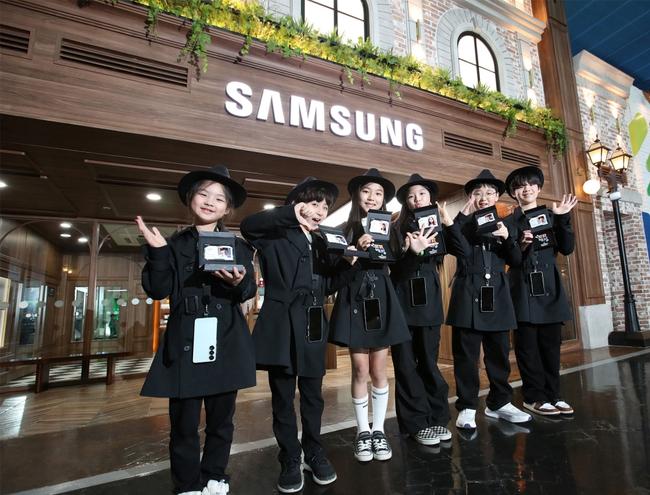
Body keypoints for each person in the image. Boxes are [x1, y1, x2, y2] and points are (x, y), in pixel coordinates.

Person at [136, 165, 256, 495]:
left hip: (226, 336)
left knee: (222, 419)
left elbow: (248, 291)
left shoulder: (239, 246)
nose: (209, 201)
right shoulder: (173, 244)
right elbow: (158, 290)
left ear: (227, 209)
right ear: (191, 199)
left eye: (219, 198)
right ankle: (187, 484)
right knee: (184, 423)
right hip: (185, 337)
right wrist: (158, 253)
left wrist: (239, 283)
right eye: (203, 194)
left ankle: (215, 475)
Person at [240, 177, 358, 493]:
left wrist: (351, 265)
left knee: (313, 395)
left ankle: (314, 451)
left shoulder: (322, 240)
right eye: (314, 203)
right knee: (282, 396)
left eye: (325, 206)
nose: (320, 211)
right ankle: (290, 456)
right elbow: (248, 226)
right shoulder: (275, 232)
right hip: (280, 324)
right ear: (297, 204)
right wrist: (290, 213)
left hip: (313, 323)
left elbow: (327, 285)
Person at [328, 168, 411, 463]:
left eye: (378, 193)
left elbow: (397, 263)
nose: (372, 197)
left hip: (382, 297)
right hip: (354, 297)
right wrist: (353, 251)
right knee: (360, 370)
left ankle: (379, 430)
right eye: (366, 191)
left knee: (379, 370)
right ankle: (362, 431)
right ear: (356, 195)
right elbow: (333, 271)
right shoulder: (343, 229)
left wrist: (408, 249)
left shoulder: (392, 228)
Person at [446, 169, 531, 431]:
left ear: (496, 197)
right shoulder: (463, 224)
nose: (483, 197)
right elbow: (452, 245)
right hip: (467, 292)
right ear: (471, 197)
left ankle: (499, 403)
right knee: (466, 356)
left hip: (497, 293)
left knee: (498, 354)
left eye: (489, 193)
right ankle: (467, 406)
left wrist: (507, 239)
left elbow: (516, 261)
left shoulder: (507, 224)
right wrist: (461, 216)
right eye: (477, 193)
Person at [389, 173, 465, 446]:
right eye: (411, 196)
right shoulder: (395, 228)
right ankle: (416, 424)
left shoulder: (439, 226)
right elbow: (395, 272)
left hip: (430, 303)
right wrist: (412, 251)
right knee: (406, 366)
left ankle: (437, 418)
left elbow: (463, 252)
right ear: (406, 203)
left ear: (430, 197)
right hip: (402, 303)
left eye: (421, 194)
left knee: (429, 364)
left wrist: (448, 222)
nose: (416, 199)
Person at [505, 166, 578, 416]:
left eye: (530, 184)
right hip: (522, 286)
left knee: (550, 346)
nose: (526, 189)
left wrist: (563, 218)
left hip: (549, 286)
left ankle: (554, 395)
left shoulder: (551, 215)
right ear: (514, 193)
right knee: (527, 347)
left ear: (538, 188)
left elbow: (567, 248)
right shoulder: (508, 222)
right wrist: (521, 246)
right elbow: (511, 258)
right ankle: (533, 396)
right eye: (520, 186)